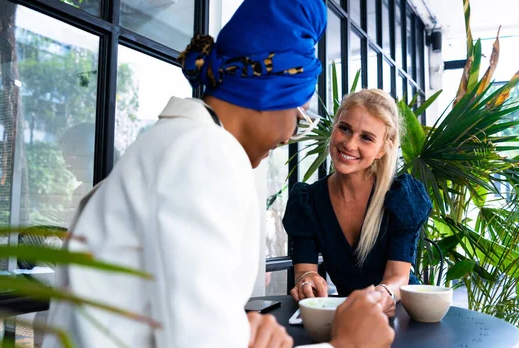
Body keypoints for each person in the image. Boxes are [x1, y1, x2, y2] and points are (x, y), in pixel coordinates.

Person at [42, 1, 394, 348]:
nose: (289, 133)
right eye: (298, 115)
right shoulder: (205, 155)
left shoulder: (177, 146)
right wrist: (348, 344)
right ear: (271, 92)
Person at [283, 89, 432, 317]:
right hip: (347, 316)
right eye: (345, 129)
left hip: (401, 313)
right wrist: (307, 280)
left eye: (366, 137)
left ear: (383, 148)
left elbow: (398, 276)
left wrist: (383, 294)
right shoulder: (308, 201)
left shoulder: (401, 196)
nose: (350, 144)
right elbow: (304, 270)